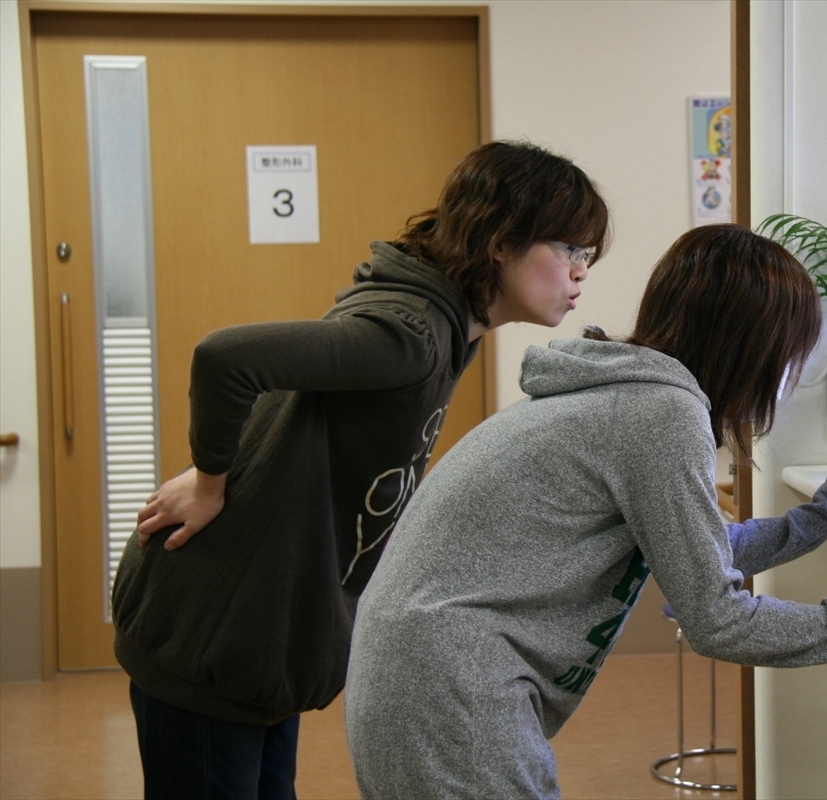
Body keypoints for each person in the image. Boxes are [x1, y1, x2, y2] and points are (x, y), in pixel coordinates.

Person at [344, 223, 827, 799]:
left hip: (413, 668)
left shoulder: (624, 395)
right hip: (446, 686)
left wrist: (826, 509)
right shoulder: (659, 415)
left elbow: (698, 548)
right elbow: (718, 619)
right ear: (750, 346)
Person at [110, 140, 611, 800]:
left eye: (586, 255)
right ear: (501, 241)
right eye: (569, 249)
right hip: (211, 634)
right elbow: (223, 358)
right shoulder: (410, 333)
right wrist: (210, 479)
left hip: (254, 638)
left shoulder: (440, 326)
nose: (580, 272)